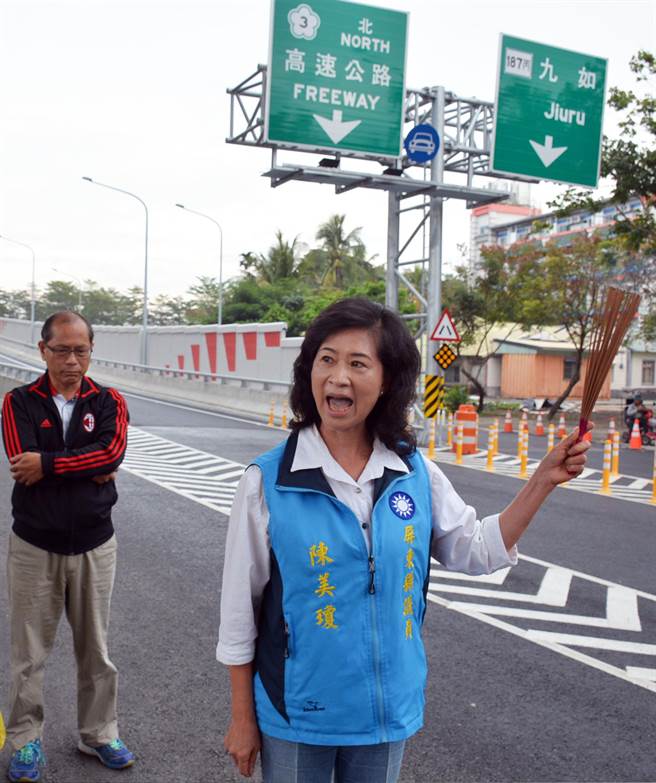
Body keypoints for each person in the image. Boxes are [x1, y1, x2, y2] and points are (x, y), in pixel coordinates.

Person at [217, 298, 590, 783]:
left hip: (385, 707)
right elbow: (238, 611)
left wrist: (541, 480)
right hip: (297, 712)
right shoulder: (267, 482)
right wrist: (243, 718)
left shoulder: (414, 473)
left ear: (387, 380)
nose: (338, 377)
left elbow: (475, 550)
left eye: (357, 364)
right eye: (326, 359)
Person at [1, 311, 135, 783]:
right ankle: (25, 741)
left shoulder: (109, 400)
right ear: (43, 351)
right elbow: (22, 464)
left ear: (91, 352)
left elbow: (111, 454)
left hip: (95, 544)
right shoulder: (18, 401)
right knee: (29, 653)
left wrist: (52, 465)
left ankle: (98, 733)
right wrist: (86, 466)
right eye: (62, 350)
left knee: (95, 650)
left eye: (81, 350)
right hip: (34, 545)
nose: (72, 361)